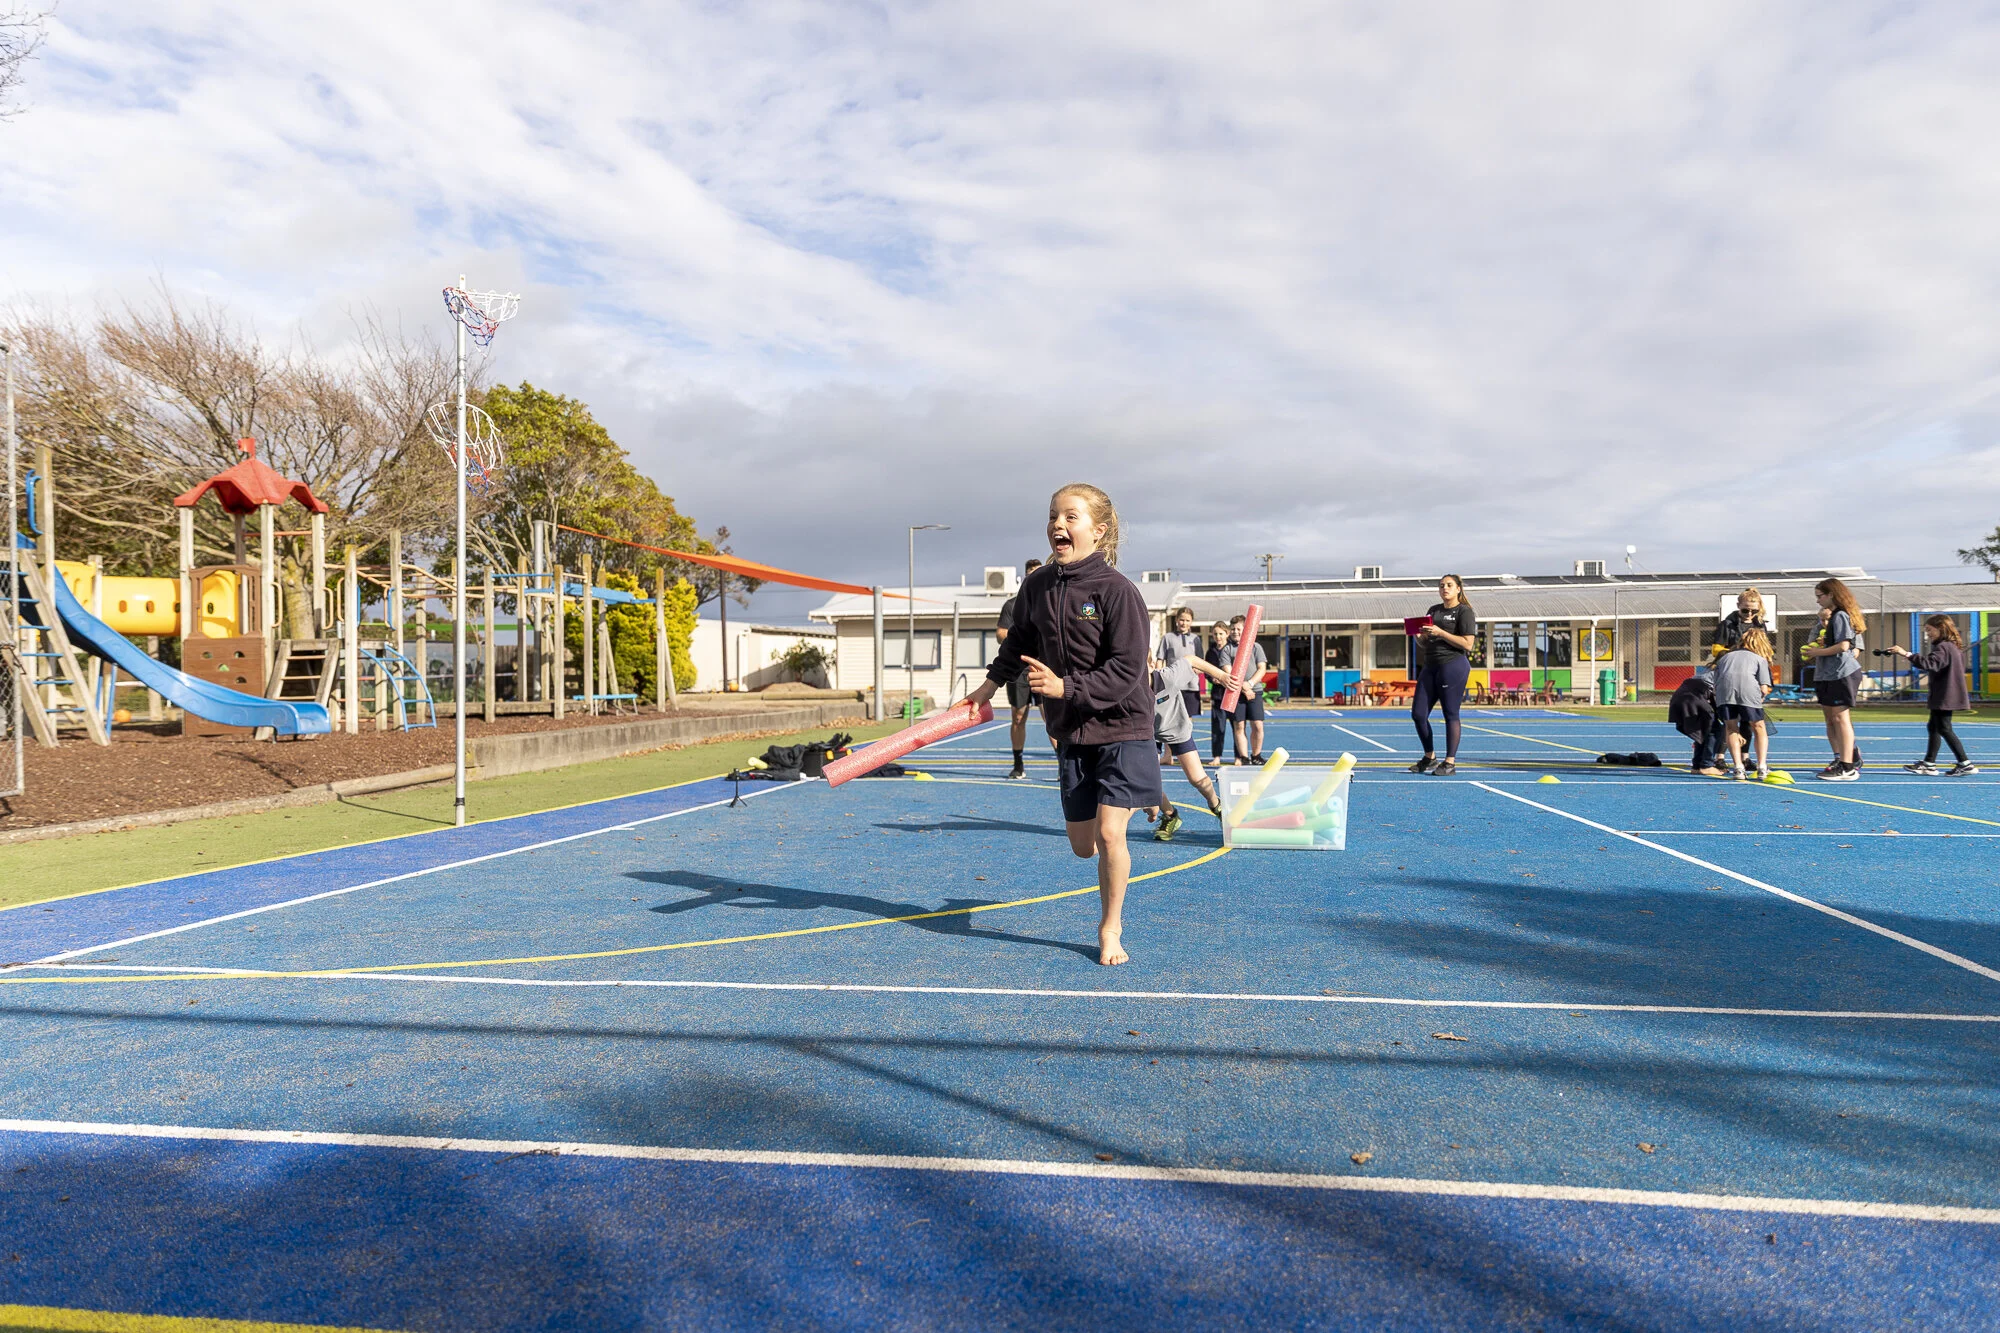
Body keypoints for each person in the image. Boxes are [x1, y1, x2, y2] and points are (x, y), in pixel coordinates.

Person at [966, 484, 1158, 967]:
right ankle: (1135, 797)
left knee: (1112, 834)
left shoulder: (1117, 591)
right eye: (1054, 516)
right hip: (1072, 730)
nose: (1058, 525)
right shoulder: (1036, 587)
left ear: (1099, 529)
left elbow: (1128, 669)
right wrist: (988, 687)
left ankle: (1109, 927)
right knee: (1082, 846)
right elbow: (1018, 644)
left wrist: (1065, 687)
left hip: (1123, 724)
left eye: (1071, 517)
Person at [1143, 652, 1236, 841]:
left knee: (1198, 779)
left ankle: (1216, 804)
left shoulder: (1167, 677)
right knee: (1148, 782)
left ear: (1151, 664)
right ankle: (1170, 816)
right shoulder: (1128, 687)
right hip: (1147, 734)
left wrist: (1222, 676)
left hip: (1177, 729)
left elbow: (1192, 660)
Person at [1889, 615, 1977, 776]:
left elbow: (1930, 664)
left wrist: (1906, 654)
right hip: (1946, 693)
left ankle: (1965, 763)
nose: (1928, 633)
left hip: (1946, 694)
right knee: (1934, 727)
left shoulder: (1943, 647)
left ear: (1941, 628)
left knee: (1944, 728)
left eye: (1930, 630)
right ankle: (1929, 763)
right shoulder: (1951, 647)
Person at [1801, 577, 1867, 781]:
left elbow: (1844, 646)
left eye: (1820, 596)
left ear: (1831, 594)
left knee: (1840, 718)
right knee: (1831, 719)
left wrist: (1817, 652)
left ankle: (1848, 766)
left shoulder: (1840, 615)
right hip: (1828, 673)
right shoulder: (1828, 620)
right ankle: (1841, 758)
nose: (1818, 600)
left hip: (1842, 672)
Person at [1410, 574, 1477, 775]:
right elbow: (1424, 642)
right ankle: (1429, 757)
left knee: (1450, 713)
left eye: (1449, 585)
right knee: (1418, 714)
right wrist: (1418, 635)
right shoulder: (1433, 610)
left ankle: (1450, 762)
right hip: (1430, 666)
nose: (1444, 588)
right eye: (1441, 586)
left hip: (1453, 665)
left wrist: (1441, 633)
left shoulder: (1465, 612)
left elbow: (1468, 644)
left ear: (1458, 589)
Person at [995, 557, 1043, 779]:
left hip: (1044, 669)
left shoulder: (1049, 601)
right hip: (1019, 670)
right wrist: (1020, 638)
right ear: (1025, 576)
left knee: (1051, 718)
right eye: (1031, 572)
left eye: (1038, 572)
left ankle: (1063, 764)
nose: (1034, 576)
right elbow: (1001, 634)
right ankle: (1018, 764)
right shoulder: (1013, 605)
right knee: (1018, 717)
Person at [1714, 627, 1775, 780]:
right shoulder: (1759, 659)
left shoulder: (1725, 657)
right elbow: (1764, 688)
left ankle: (1738, 768)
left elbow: (1716, 681)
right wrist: (1759, 699)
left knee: (1731, 727)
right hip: (1749, 691)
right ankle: (1762, 766)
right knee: (1758, 726)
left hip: (1725, 692)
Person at [1223, 614, 1269, 763]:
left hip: (1254, 691)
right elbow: (1228, 672)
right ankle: (1243, 757)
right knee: (1239, 725)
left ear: (1246, 630)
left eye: (1239, 629)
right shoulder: (1227, 649)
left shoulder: (1256, 647)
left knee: (1257, 725)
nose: (1235, 632)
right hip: (1236, 693)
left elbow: (1262, 668)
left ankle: (1256, 755)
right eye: (1233, 629)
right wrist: (1244, 688)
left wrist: (1250, 684)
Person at [1668, 669, 1725, 777]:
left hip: (1681, 695)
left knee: (1703, 729)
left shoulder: (1710, 671)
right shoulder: (1724, 673)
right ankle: (1706, 765)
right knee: (1714, 729)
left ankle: (1697, 766)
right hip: (1695, 697)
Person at [1159, 605, 1204, 723]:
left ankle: (1186, 742)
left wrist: (1195, 671)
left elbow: (1201, 662)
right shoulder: (1167, 638)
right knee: (1170, 720)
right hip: (1172, 685)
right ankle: (1168, 743)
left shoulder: (1196, 639)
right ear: (1176, 620)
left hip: (1191, 686)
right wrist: (1160, 680)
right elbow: (1160, 660)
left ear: (1192, 622)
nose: (1184, 623)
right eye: (1182, 620)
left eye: (1187, 620)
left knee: (1187, 720)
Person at [1203, 620, 1238, 763]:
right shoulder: (1210, 652)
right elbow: (1206, 671)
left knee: (1237, 726)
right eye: (1215, 634)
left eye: (1221, 634)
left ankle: (1239, 757)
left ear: (1227, 634)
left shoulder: (1233, 650)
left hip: (1233, 694)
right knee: (1218, 727)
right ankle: (1216, 757)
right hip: (1218, 696)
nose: (1218, 637)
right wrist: (1213, 678)